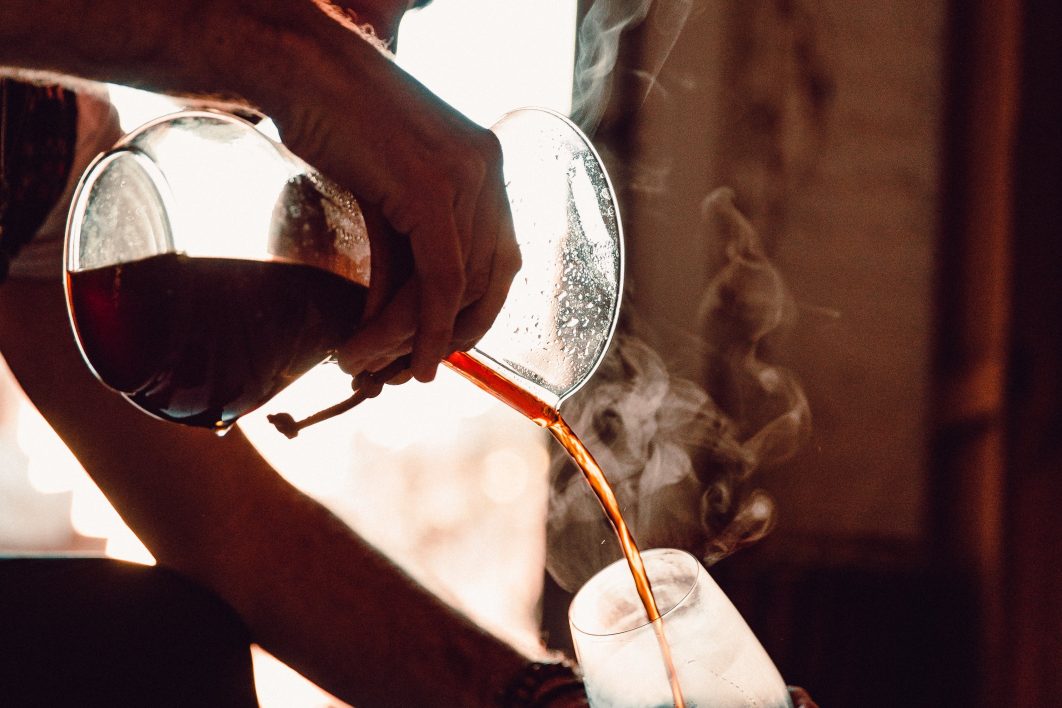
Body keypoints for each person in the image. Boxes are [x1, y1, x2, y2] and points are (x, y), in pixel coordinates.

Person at [0, 2, 818, 705]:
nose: (380, 43)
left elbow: (238, 541)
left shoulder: (41, 141)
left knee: (161, 644)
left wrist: (541, 700)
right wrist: (276, 45)